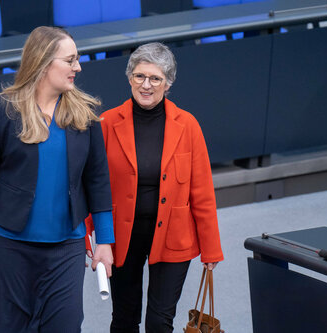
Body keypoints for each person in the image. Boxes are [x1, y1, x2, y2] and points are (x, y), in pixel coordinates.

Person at [0, 26, 114, 333]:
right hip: (6, 248)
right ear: (43, 63)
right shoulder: (2, 111)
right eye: (70, 61)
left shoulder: (85, 114)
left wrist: (105, 240)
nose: (77, 68)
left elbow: (98, 180)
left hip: (66, 248)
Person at [100, 42, 224, 332]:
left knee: (159, 322)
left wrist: (211, 249)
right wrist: (95, 239)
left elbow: (202, 190)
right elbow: (94, 186)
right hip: (123, 236)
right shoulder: (106, 123)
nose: (146, 85)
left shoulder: (188, 125)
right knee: (124, 319)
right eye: (140, 76)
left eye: (155, 78)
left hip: (174, 235)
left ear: (168, 83)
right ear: (130, 77)